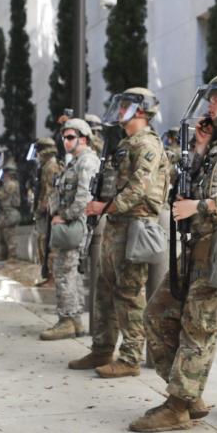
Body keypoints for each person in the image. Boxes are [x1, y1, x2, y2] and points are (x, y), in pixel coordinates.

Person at [128, 71, 217, 433]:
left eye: (216, 98)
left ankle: (178, 407)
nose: (210, 105)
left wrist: (200, 208)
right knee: (157, 315)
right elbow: (190, 182)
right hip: (196, 249)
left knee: (199, 328)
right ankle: (188, 394)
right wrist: (202, 150)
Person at [70, 88, 169, 378]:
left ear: (140, 110)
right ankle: (102, 348)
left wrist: (106, 206)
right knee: (104, 291)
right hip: (118, 223)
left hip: (134, 224)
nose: (120, 109)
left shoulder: (147, 143)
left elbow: (141, 186)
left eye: (126, 105)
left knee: (128, 294)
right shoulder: (127, 142)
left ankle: (130, 358)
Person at [40, 118, 99, 340]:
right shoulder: (75, 162)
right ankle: (74, 320)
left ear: (83, 139)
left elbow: (84, 196)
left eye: (71, 137)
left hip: (76, 224)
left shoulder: (87, 161)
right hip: (72, 223)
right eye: (64, 137)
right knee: (69, 272)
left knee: (64, 271)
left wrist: (63, 216)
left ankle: (66, 320)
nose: (65, 141)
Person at [33, 137, 61, 286]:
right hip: (45, 212)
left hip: (48, 213)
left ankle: (52, 278)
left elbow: (51, 193)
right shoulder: (46, 167)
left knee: (47, 242)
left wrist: (40, 208)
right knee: (43, 242)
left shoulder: (50, 167)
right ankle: (49, 276)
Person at [0, 156, 21, 261]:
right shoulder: (7, 183)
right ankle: (4, 255)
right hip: (5, 212)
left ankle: (12, 257)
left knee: (10, 236)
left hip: (10, 212)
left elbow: (4, 195)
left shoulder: (11, 184)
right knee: (3, 236)